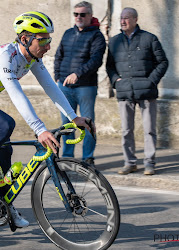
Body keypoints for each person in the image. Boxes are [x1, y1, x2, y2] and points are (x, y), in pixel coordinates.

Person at [0, 11, 94, 228]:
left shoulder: (32, 58)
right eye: (43, 40)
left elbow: (51, 87)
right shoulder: (5, 56)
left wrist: (74, 117)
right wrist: (40, 129)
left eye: (49, 39)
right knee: (6, 124)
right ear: (25, 39)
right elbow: (17, 94)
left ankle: (4, 205)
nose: (48, 45)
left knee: (5, 151)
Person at [106, 7, 168, 175]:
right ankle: (130, 162)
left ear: (135, 19)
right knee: (126, 130)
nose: (123, 21)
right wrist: (116, 81)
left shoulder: (149, 38)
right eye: (121, 18)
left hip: (147, 92)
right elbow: (109, 66)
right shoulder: (114, 41)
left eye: (127, 18)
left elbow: (162, 62)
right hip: (124, 92)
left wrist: (151, 81)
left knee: (149, 130)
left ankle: (149, 163)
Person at [54, 1, 106, 167]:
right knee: (67, 125)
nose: (79, 17)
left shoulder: (97, 36)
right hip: (64, 87)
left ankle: (88, 158)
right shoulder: (68, 33)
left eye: (82, 14)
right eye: (76, 14)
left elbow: (96, 60)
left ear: (90, 16)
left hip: (86, 87)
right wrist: (57, 76)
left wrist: (78, 74)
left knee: (87, 123)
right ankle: (68, 158)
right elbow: (58, 55)